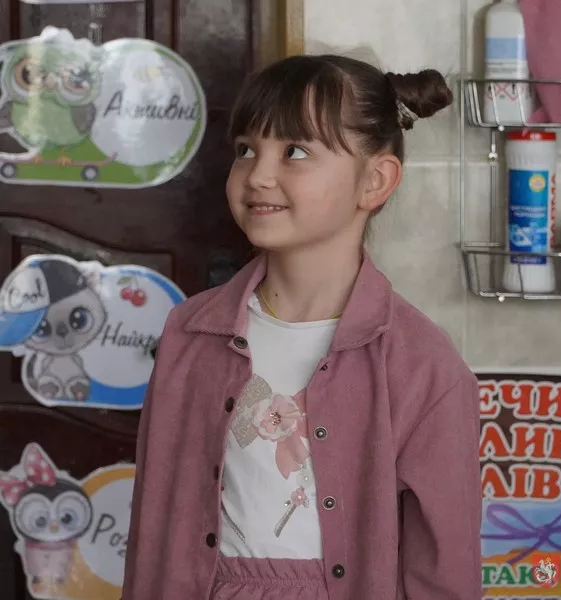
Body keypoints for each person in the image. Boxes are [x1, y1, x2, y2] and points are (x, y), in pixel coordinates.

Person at [122, 54, 482, 600]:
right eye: (246, 149)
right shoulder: (189, 333)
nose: (258, 175)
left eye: (294, 151)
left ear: (375, 181)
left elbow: (446, 569)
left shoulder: (424, 368)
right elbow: (153, 528)